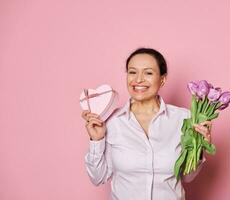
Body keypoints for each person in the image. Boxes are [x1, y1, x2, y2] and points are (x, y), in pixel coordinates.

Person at [81, 48, 212, 200]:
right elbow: (98, 178)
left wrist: (200, 147)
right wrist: (96, 141)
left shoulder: (184, 119)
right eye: (132, 72)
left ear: (162, 79)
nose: (138, 79)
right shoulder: (111, 122)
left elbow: (187, 177)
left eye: (148, 73)